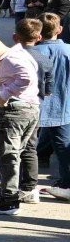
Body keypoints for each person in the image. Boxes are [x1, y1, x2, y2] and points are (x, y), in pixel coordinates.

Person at [0, 28, 42, 215]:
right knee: (17, 153)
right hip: (30, 108)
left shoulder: (10, 59)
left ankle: (8, 200)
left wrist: (4, 95)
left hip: (14, 111)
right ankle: (9, 195)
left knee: (7, 157)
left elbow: (25, 78)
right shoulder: (19, 53)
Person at [32, 13, 70, 198]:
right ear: (60, 30)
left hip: (34, 107)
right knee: (63, 146)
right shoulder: (68, 51)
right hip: (64, 106)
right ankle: (67, 182)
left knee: (26, 147)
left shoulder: (34, 53)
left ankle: (25, 184)